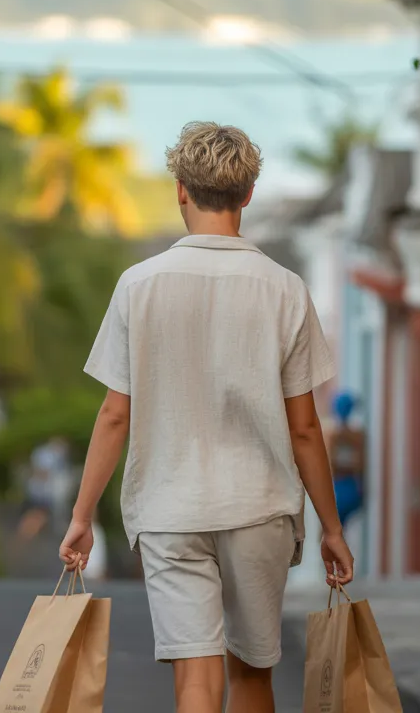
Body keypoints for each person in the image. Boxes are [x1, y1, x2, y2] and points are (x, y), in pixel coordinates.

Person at [58, 122, 354, 713]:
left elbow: (116, 414)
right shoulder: (285, 288)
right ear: (247, 195)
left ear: (179, 190)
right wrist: (333, 528)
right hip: (260, 507)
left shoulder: (137, 285)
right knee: (251, 674)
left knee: (195, 678)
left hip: (169, 509)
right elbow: (304, 427)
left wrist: (81, 514)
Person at [326, 391, 366, 528]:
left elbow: (330, 465)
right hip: (351, 487)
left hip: (341, 489)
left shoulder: (333, 436)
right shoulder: (357, 436)